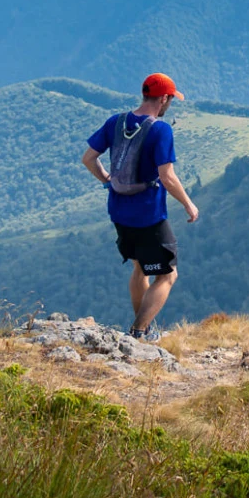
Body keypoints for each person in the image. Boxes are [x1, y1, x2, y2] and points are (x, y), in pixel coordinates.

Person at [83, 73, 200, 340]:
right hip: (149, 216)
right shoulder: (160, 130)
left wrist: (107, 179)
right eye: (172, 99)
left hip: (118, 212)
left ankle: (142, 327)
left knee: (140, 268)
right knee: (168, 275)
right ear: (165, 98)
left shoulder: (116, 122)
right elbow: (167, 176)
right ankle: (138, 333)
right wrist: (189, 205)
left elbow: (88, 158)